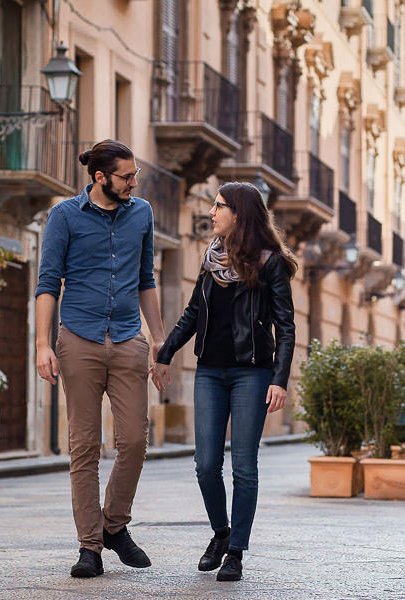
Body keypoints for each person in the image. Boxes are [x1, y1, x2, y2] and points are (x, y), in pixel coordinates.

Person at [35, 139, 168, 578]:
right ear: (100, 178)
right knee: (84, 446)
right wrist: (42, 344)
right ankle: (89, 546)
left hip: (129, 339)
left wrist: (160, 340)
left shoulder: (142, 213)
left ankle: (114, 525)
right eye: (127, 176)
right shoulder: (65, 216)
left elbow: (146, 278)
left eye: (135, 176)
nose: (134, 183)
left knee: (133, 441)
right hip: (79, 340)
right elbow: (48, 282)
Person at [153, 181, 297, 582]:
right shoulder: (210, 257)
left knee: (244, 466)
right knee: (204, 465)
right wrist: (165, 353)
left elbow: (286, 326)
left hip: (252, 372)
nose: (212, 212)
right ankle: (220, 533)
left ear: (239, 212)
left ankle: (236, 552)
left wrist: (280, 379)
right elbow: (193, 310)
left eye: (219, 206)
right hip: (210, 372)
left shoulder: (270, 262)